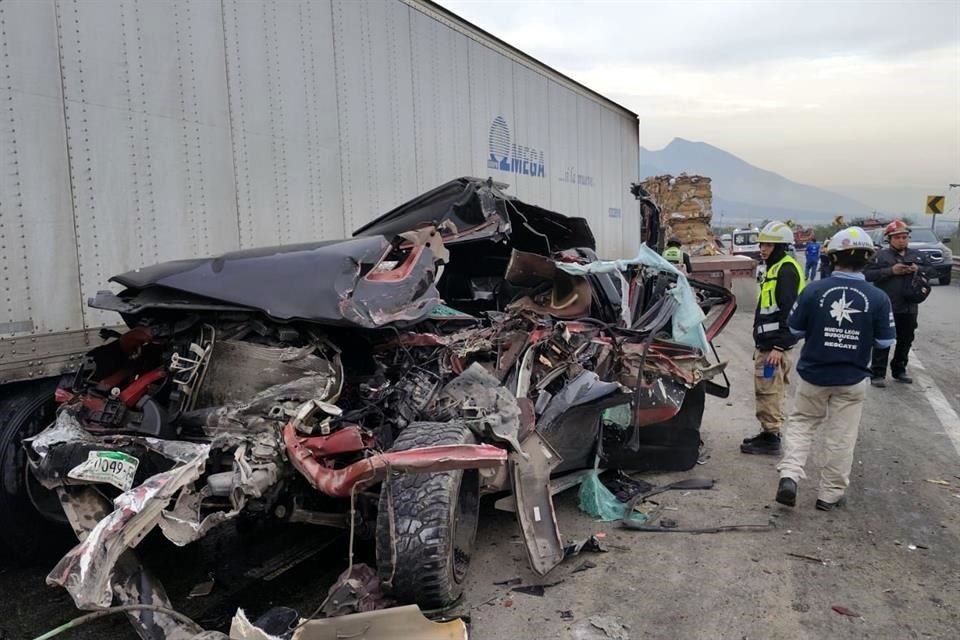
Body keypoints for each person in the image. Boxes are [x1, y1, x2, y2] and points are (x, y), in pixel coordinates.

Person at [775, 227, 896, 511]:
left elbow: (794, 329)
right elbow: (885, 341)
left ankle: (790, 475)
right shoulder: (877, 298)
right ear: (868, 259)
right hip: (852, 378)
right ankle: (829, 495)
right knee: (842, 436)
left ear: (832, 258)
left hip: (813, 375)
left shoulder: (814, 290)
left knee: (802, 424)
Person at [741, 221, 806, 456]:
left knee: (769, 390)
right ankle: (768, 432)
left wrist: (779, 345)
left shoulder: (785, 270)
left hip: (774, 347)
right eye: (762, 244)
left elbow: (790, 311)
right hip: (769, 344)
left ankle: (771, 436)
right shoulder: (776, 268)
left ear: (780, 246)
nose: (763, 249)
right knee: (769, 389)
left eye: (768, 245)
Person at [864, 220, 932, 387]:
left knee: (905, 340)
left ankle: (899, 370)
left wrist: (918, 269)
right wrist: (891, 271)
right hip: (887, 306)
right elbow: (867, 274)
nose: (902, 240)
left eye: (905, 237)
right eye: (898, 237)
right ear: (889, 239)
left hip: (909, 307)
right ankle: (877, 373)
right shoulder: (880, 256)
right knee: (882, 340)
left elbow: (933, 270)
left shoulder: (917, 256)